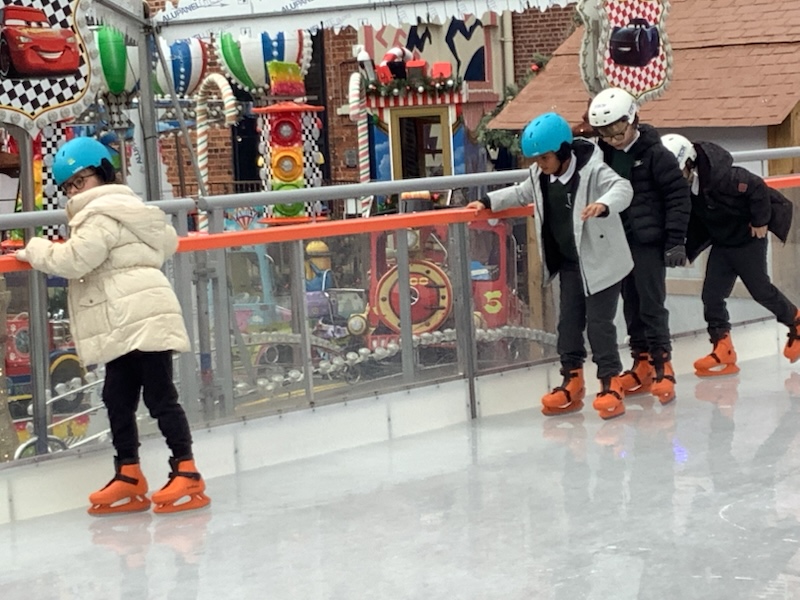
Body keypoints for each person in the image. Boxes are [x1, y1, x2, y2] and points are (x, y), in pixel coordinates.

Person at [16, 137, 210, 515]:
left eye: (81, 180)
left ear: (103, 174)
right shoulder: (130, 207)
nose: (75, 191)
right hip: (127, 318)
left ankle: (186, 470)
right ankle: (129, 472)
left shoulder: (100, 214)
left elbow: (75, 260)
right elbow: (165, 243)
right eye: (68, 186)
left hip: (140, 317)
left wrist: (35, 249)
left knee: (159, 397)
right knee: (116, 397)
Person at [467, 112, 634, 419]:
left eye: (545, 158)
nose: (540, 164)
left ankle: (610, 383)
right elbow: (520, 193)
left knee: (599, 325)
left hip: (602, 263)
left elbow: (622, 188)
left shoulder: (593, 170)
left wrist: (604, 204)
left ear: (563, 151)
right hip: (569, 264)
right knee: (567, 325)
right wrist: (488, 202)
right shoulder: (540, 176)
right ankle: (572, 381)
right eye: (537, 159)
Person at [661, 133, 799, 375]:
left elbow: (756, 186)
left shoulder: (723, 176)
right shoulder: (685, 189)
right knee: (711, 295)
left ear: (690, 163)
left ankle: (796, 323)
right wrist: (683, 248)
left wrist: (760, 220)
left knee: (761, 290)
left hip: (748, 240)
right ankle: (722, 347)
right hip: (722, 243)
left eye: (677, 172)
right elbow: (691, 220)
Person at [588, 87, 691, 405]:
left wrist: (675, 241)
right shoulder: (601, 156)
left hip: (648, 242)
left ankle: (663, 365)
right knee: (630, 303)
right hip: (616, 241)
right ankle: (642, 362)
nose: (614, 139)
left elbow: (678, 197)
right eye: (606, 134)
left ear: (633, 119)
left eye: (618, 131)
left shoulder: (656, 154)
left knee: (651, 304)